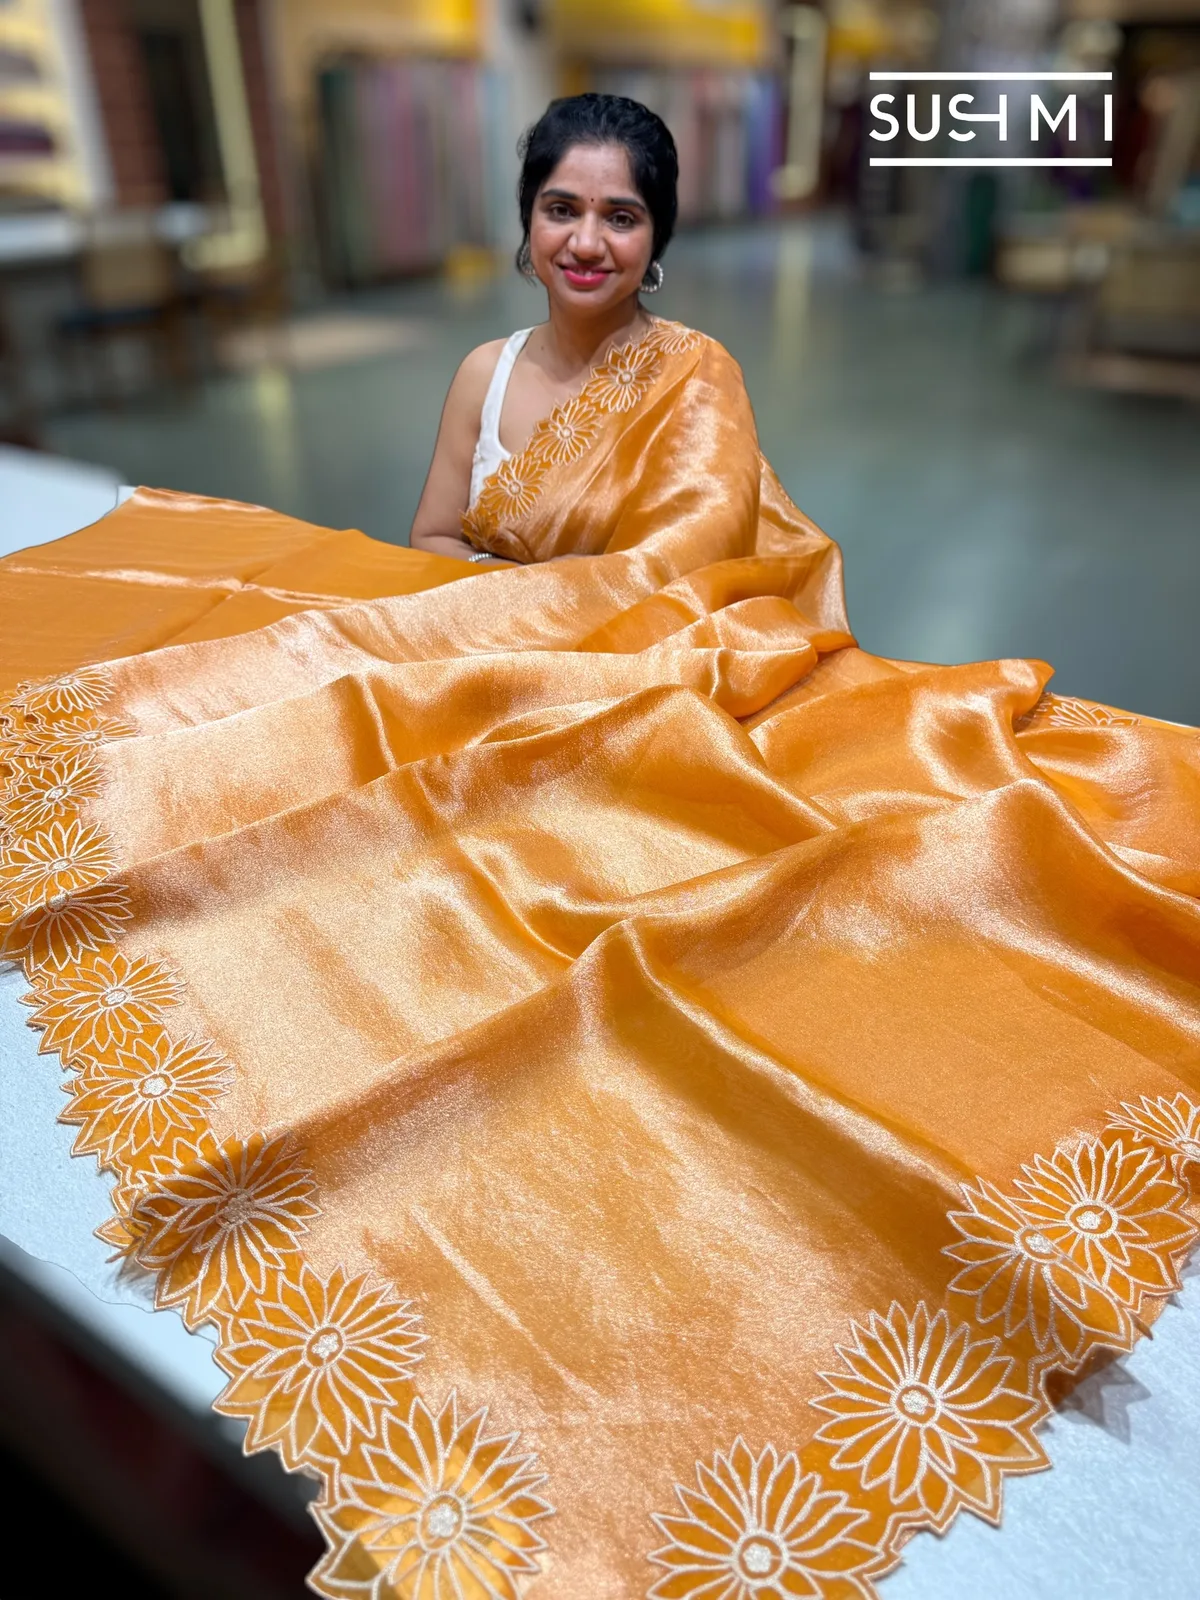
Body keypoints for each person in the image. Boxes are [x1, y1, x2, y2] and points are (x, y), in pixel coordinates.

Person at [1, 96, 1198, 1600]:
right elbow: (428, 547)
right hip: (512, 678)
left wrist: (535, 629)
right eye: (563, 207)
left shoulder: (692, 375)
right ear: (524, 218)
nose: (587, 240)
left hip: (661, 682)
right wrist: (493, 636)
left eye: (621, 216)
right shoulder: (480, 372)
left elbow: (690, 572)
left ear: (660, 239)